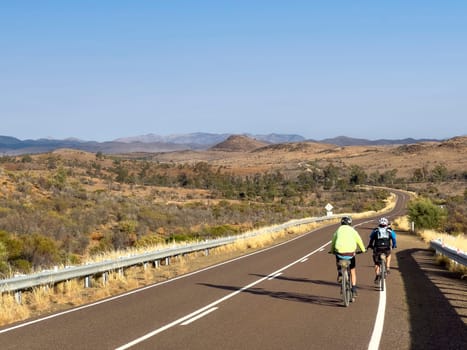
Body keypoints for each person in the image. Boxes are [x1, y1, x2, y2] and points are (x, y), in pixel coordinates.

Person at [330, 216, 366, 296]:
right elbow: (359, 240)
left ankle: (340, 272)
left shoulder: (338, 230)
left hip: (340, 253)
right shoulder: (353, 230)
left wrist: (332, 250)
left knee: (337, 257)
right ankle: (353, 288)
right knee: (352, 271)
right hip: (350, 254)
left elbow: (333, 241)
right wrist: (363, 250)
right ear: (350, 223)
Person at [367, 217, 397, 283]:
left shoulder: (376, 230)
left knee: (376, 263)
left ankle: (377, 275)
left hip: (377, 248)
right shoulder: (389, 230)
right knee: (389, 254)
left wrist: (370, 245)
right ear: (386, 224)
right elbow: (394, 239)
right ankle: (388, 267)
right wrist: (394, 245)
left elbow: (371, 238)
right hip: (386, 248)